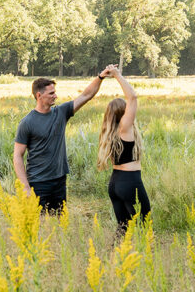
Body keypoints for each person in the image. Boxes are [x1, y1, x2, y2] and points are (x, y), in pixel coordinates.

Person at [13, 71, 110, 212]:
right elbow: (17, 155)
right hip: (38, 183)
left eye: (55, 92)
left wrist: (100, 77)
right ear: (39, 96)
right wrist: (25, 186)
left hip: (59, 181)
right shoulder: (27, 122)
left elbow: (86, 95)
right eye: (51, 93)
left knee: (59, 225)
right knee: (39, 225)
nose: (56, 96)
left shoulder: (61, 113)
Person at [97, 64, 151, 230]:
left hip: (115, 183)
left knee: (123, 228)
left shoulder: (109, 132)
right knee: (145, 225)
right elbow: (133, 97)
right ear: (124, 113)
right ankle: (146, 255)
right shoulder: (124, 129)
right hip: (130, 181)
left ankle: (115, 255)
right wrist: (117, 75)